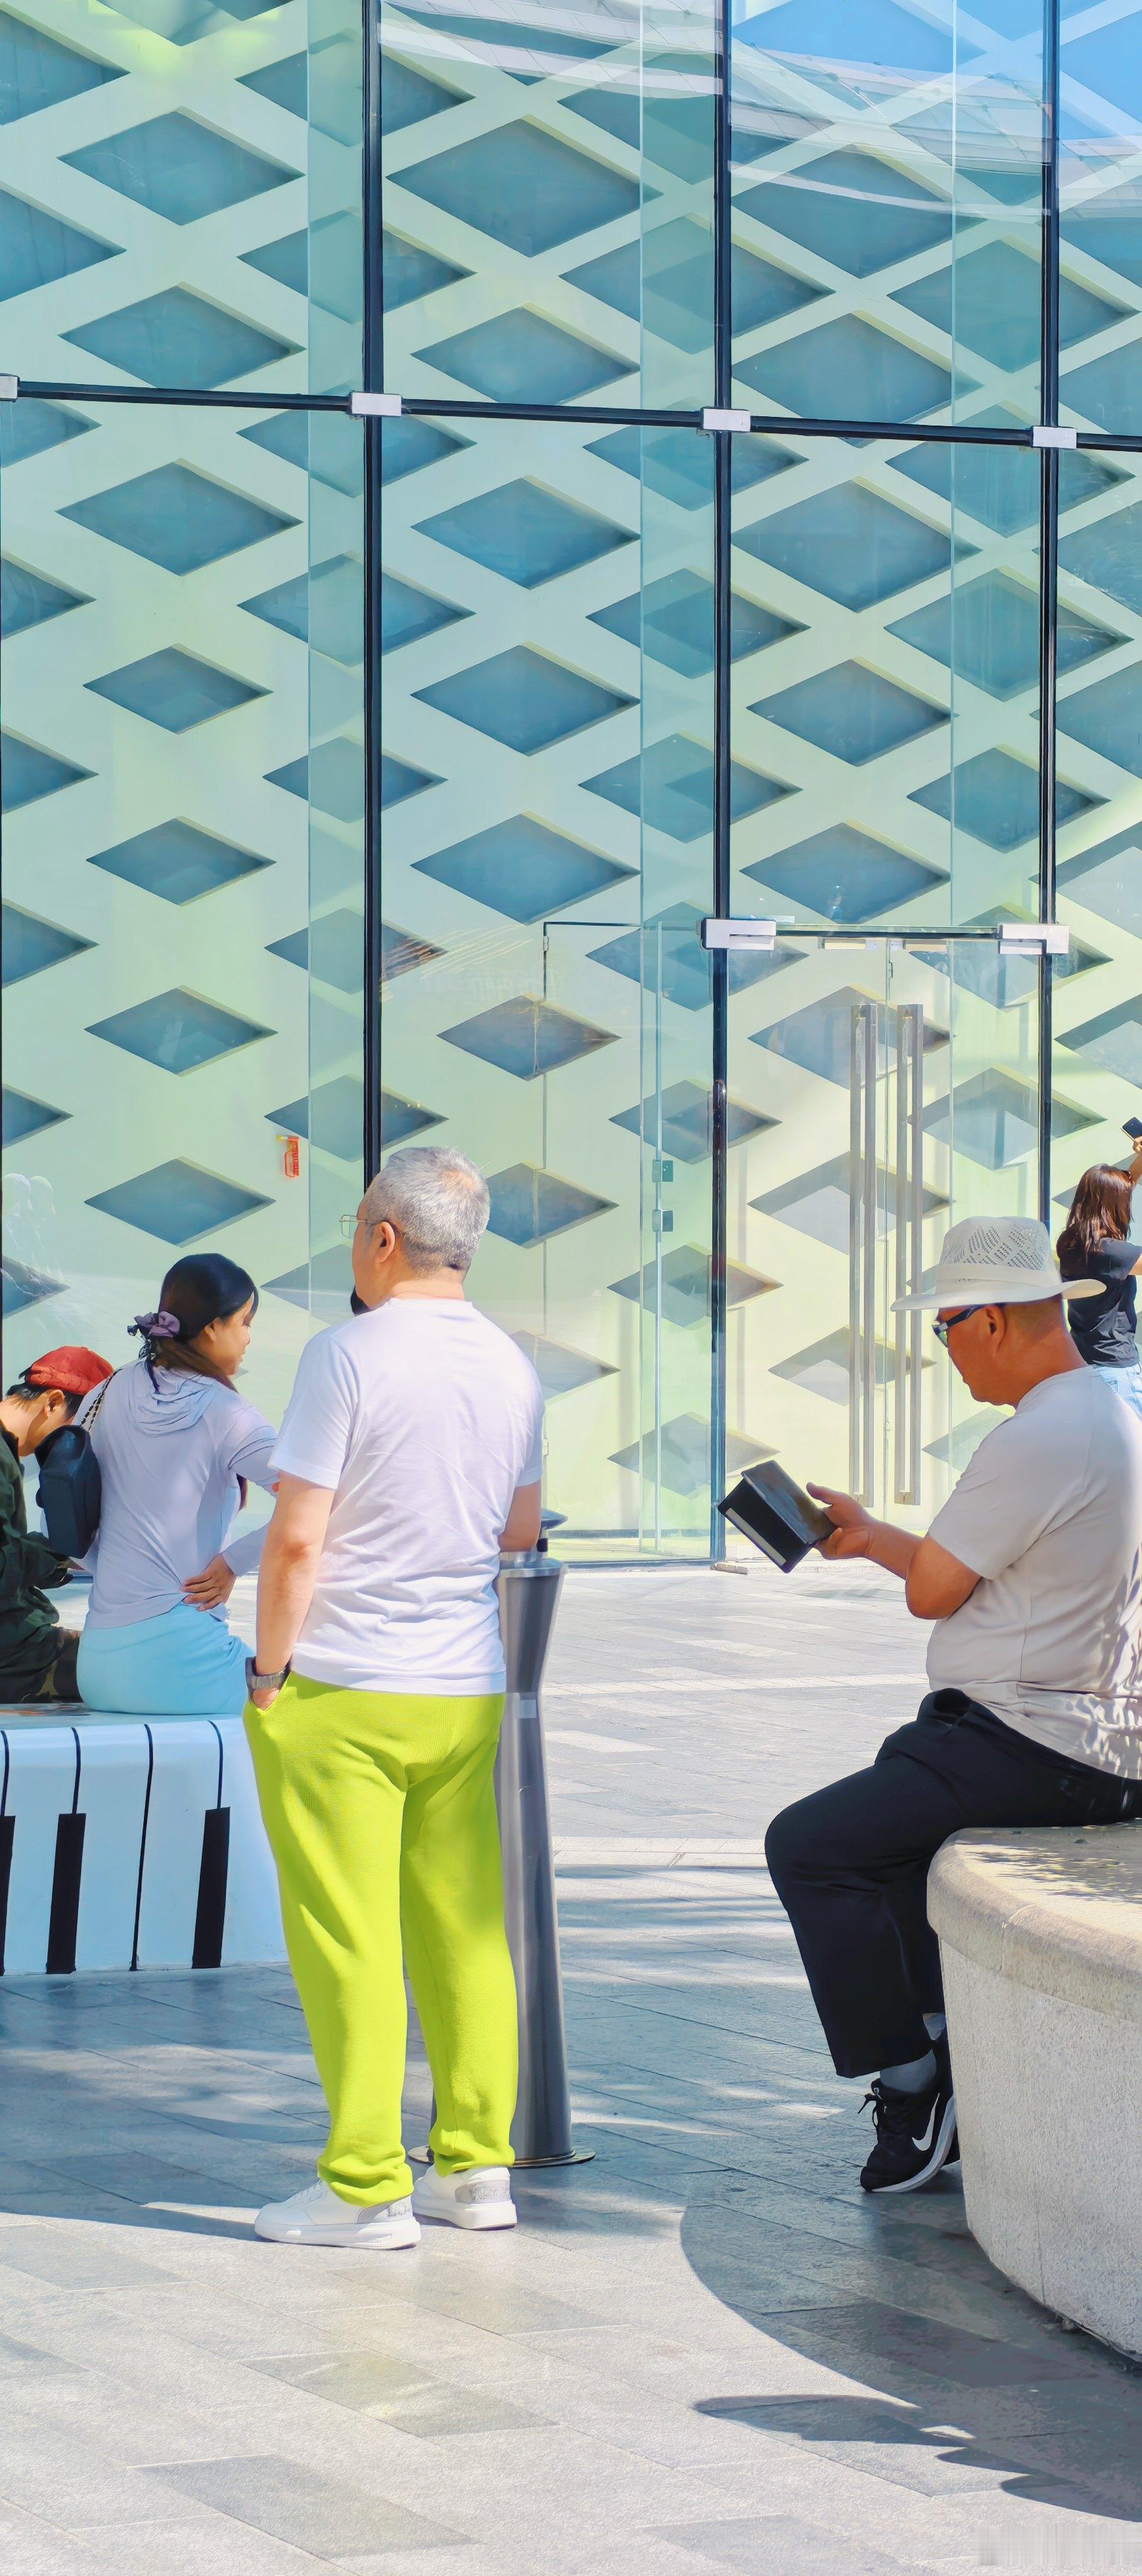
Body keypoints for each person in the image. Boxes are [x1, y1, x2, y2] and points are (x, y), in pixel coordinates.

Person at [765, 1216, 1142, 2199]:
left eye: (946, 1326)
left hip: (1039, 1742)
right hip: (1070, 1736)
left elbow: (936, 1592)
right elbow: (967, 1570)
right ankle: (942, 2054)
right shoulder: (1102, 1415)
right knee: (896, 1797)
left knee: (808, 1845)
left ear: (997, 1322)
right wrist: (873, 1538)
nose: (944, 1347)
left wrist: (905, 1555)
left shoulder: (1039, 1435)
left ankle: (917, 2084)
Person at [245, 1146, 543, 2253]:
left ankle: (366, 2185)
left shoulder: (346, 1354)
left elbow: (296, 1538)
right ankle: (476, 2168)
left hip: (343, 1683)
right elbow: (520, 1528)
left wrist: (268, 1671)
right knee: (463, 1928)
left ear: (382, 1236)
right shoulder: (512, 1363)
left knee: (349, 1935)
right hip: (463, 1684)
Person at [75, 1255, 277, 1717]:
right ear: (213, 1327)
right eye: (245, 1322)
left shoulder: (104, 1393)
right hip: (184, 1667)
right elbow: (320, 1504)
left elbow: (69, 1527)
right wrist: (233, 1563)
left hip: (98, 1667)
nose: (249, 1337)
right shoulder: (227, 1412)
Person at [0, 1347, 113, 1703]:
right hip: (17, 1662)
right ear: (52, 1403)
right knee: (140, 1669)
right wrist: (55, 1555)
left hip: (20, 1645)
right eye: (78, 1433)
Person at [1057, 1163, 1142, 1417]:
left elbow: (1125, 1184)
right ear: (1115, 1204)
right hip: (1114, 1372)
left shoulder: (1071, 1242)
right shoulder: (1112, 1253)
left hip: (1084, 1364)